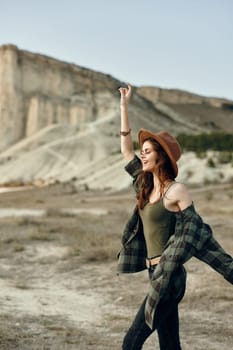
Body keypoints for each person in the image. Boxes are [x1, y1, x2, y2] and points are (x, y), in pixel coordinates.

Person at [117, 83, 233, 350]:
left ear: (161, 157)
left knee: (131, 342)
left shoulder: (177, 191)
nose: (142, 154)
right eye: (142, 150)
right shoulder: (144, 185)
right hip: (153, 272)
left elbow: (199, 234)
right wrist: (124, 107)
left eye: (148, 151)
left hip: (169, 275)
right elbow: (125, 151)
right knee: (170, 344)